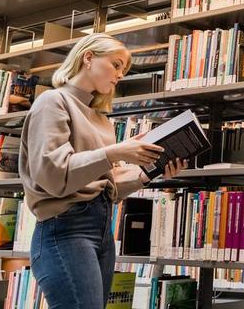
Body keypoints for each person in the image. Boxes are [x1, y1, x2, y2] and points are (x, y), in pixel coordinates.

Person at [19, 33, 187, 308]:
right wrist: (113, 153)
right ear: (88, 57)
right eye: (116, 64)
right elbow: (53, 175)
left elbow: (107, 186)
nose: (120, 75)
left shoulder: (101, 119)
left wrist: (149, 173)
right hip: (65, 229)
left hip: (101, 228)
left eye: (124, 70)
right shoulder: (53, 101)